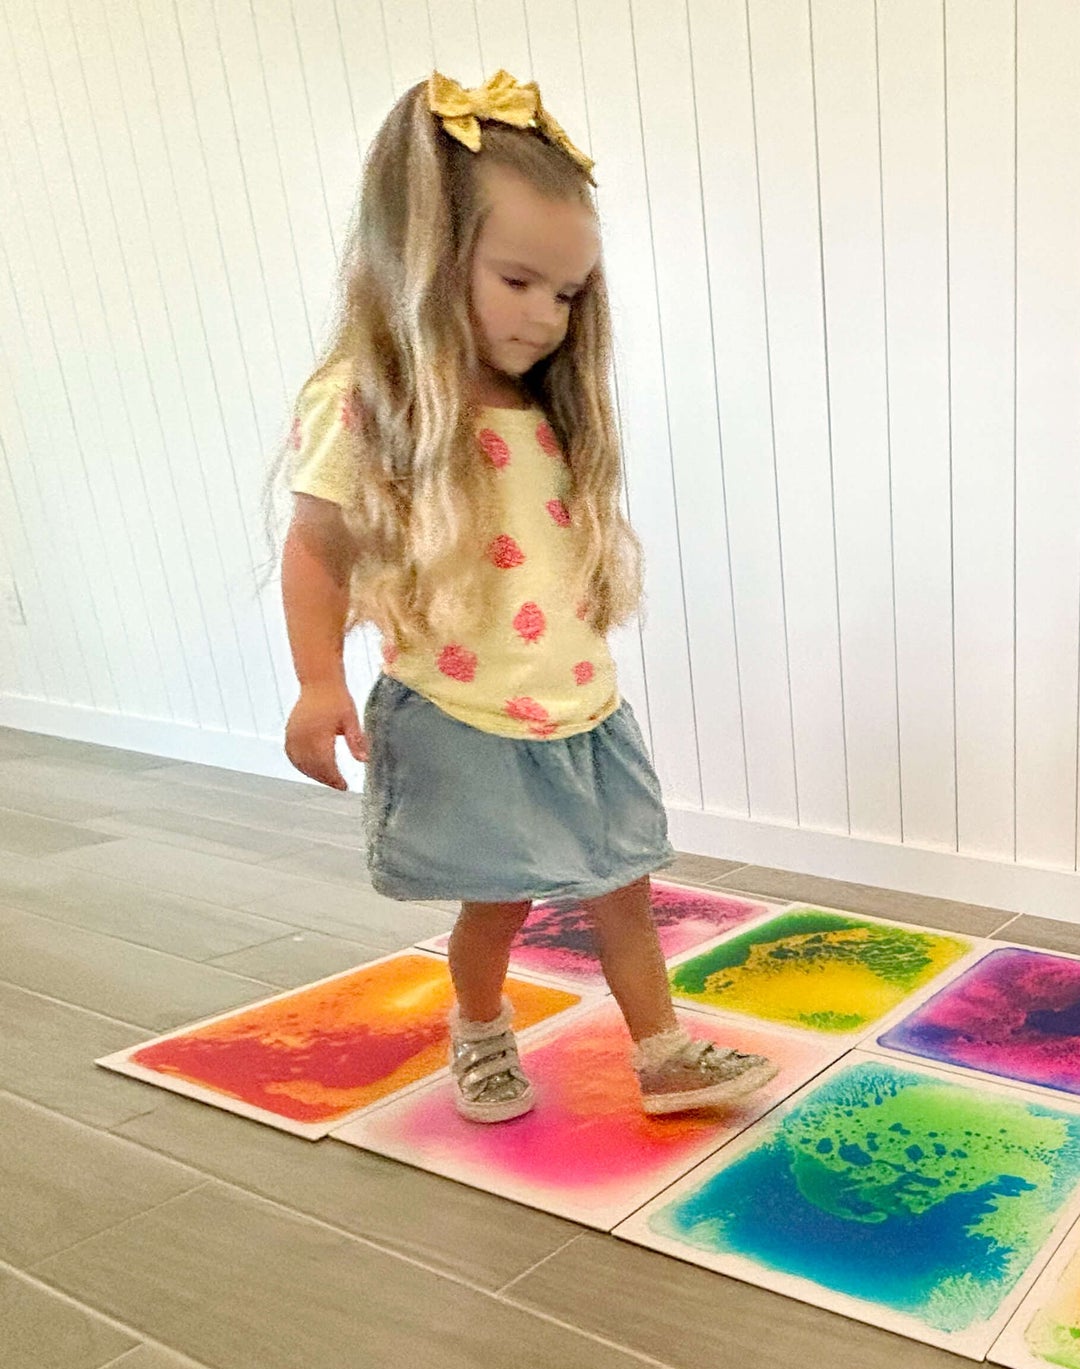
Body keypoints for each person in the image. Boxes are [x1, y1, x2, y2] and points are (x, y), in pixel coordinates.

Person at [279, 71, 775, 1124]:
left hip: (580, 702)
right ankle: (480, 1029)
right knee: (496, 901)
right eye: (519, 281)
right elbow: (318, 547)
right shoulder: (371, 405)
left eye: (566, 295)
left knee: (624, 884)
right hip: (463, 709)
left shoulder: (543, 407)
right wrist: (318, 681)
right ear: (423, 254)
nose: (546, 317)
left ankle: (663, 1050)